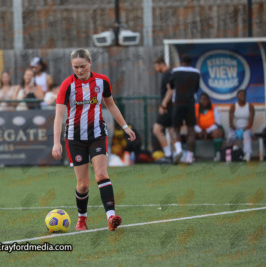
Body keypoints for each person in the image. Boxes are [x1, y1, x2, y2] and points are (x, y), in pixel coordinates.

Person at [52, 48, 136, 231]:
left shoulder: (102, 81)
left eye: (82, 66)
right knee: (82, 184)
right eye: (75, 67)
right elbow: (59, 116)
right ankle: (82, 219)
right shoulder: (67, 85)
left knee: (101, 175)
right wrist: (56, 142)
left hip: (97, 135)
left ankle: (111, 217)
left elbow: (111, 105)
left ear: (90, 63)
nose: (79, 70)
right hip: (75, 139)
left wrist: (125, 127)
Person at [162, 55, 200, 164]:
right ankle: (189, 156)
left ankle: (178, 150)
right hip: (190, 102)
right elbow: (196, 88)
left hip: (178, 102)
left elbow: (171, 86)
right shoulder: (196, 72)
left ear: (181, 62)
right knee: (191, 130)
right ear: (190, 62)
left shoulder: (175, 71)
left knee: (176, 128)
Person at [152, 56, 175, 164]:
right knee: (171, 130)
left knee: (157, 129)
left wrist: (163, 105)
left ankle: (168, 155)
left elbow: (170, 91)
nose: (156, 69)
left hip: (167, 108)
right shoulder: (170, 73)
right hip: (172, 107)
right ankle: (175, 155)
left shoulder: (167, 74)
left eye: (156, 67)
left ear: (161, 64)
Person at [194, 93, 224, 161]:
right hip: (199, 131)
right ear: (199, 100)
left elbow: (217, 123)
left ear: (208, 100)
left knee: (218, 133)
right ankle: (192, 156)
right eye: (202, 99)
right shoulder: (195, 108)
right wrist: (200, 131)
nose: (203, 101)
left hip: (211, 131)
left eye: (205, 99)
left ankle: (217, 154)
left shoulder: (214, 107)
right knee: (190, 133)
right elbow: (193, 123)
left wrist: (207, 131)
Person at [228, 89, 255, 161]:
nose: (242, 96)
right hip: (235, 128)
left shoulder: (250, 107)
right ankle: (232, 154)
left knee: (246, 135)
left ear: (246, 96)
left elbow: (250, 123)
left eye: (244, 94)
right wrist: (237, 130)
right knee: (231, 136)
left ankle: (247, 154)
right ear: (237, 96)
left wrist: (242, 130)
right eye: (240, 94)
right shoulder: (233, 106)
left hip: (246, 128)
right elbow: (231, 123)